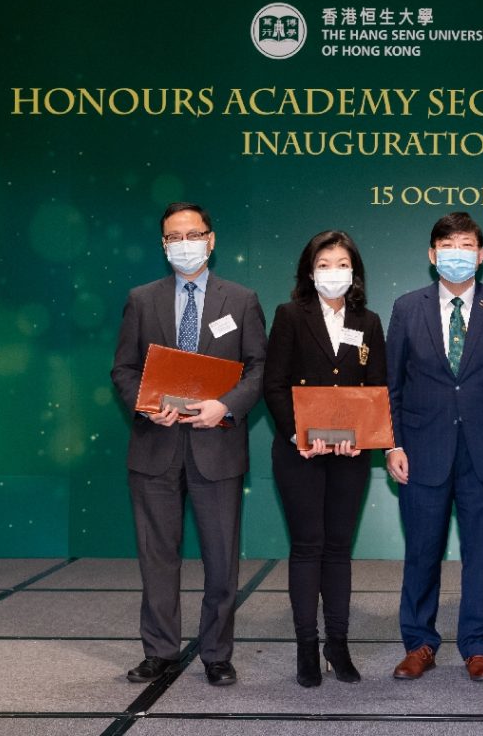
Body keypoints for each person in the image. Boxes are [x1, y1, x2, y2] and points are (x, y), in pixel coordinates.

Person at [111, 201, 267, 686]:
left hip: (216, 446)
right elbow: (122, 368)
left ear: (211, 239)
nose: (185, 244)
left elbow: (258, 367)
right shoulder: (141, 299)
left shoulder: (241, 299)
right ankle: (159, 651)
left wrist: (226, 406)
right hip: (154, 445)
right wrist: (144, 402)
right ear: (163, 245)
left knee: (221, 559)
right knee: (158, 557)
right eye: (174, 237)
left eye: (193, 234)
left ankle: (217, 654)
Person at [384, 211, 483, 682]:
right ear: (431, 255)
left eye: (467, 245)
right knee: (422, 552)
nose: (457, 254)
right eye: (448, 246)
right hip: (422, 449)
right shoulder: (407, 308)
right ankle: (419, 643)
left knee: (481, 554)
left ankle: (478, 645)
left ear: (481, 254)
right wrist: (393, 445)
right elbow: (392, 386)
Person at [262, 231, 386, 687]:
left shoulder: (369, 321)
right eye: (324, 263)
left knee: (338, 548)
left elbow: (376, 388)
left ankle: (338, 643)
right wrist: (297, 433)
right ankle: (307, 648)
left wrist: (366, 438)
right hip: (300, 452)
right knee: (307, 545)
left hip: (351, 455)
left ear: (354, 271)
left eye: (341, 263)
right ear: (309, 270)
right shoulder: (290, 315)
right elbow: (273, 385)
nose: (333, 272)